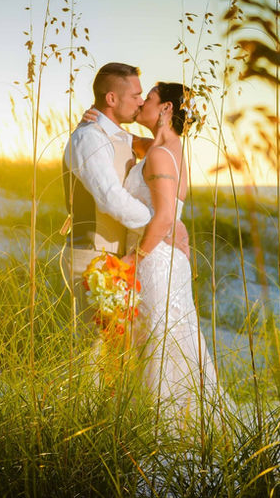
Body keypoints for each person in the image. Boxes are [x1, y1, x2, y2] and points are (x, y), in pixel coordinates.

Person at [86, 82, 226, 427]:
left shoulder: (161, 155)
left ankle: (162, 428)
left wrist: (132, 260)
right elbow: (137, 144)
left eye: (147, 98)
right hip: (163, 257)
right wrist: (101, 122)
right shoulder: (166, 148)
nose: (140, 103)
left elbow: (164, 217)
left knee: (158, 343)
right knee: (162, 341)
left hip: (156, 261)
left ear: (166, 108)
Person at [60, 63, 188, 329]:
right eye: (136, 95)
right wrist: (163, 226)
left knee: (123, 345)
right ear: (111, 98)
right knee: (93, 346)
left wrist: (168, 221)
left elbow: (161, 147)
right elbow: (111, 199)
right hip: (92, 254)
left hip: (123, 257)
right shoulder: (89, 137)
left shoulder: (123, 138)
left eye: (145, 97)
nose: (140, 102)